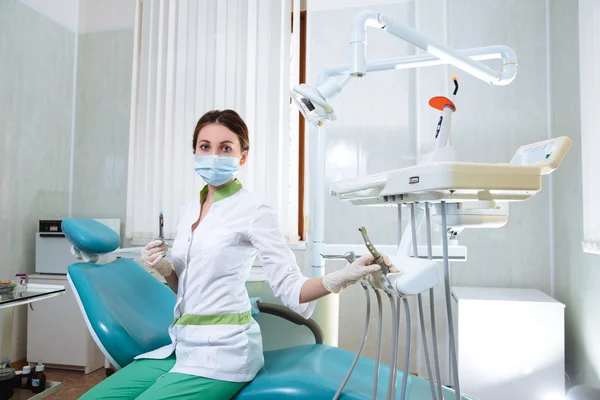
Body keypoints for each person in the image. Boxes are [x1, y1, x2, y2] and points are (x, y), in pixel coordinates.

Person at [81, 109, 391, 399]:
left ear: (243, 155)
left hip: (222, 353)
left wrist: (343, 276)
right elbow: (185, 287)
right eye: (205, 146)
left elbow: (292, 289)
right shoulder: (189, 209)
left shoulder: (254, 210)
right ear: (195, 152)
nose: (213, 155)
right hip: (180, 346)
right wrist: (164, 268)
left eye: (225, 148)